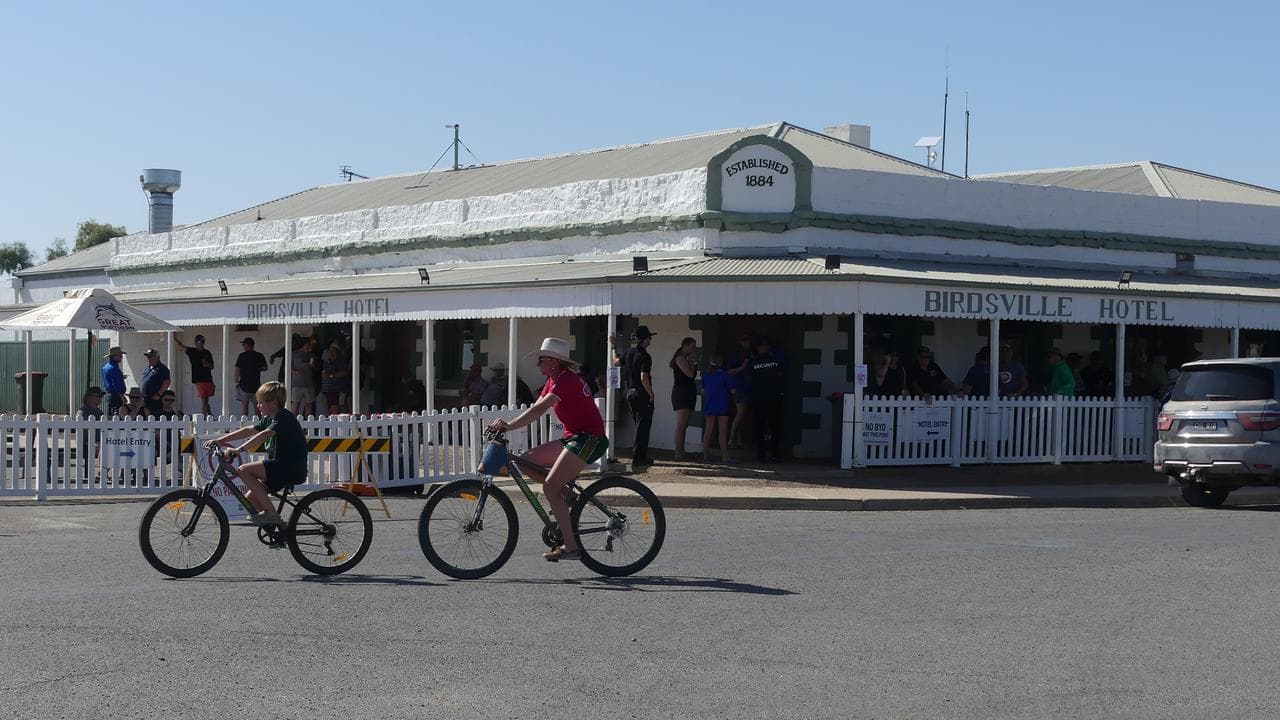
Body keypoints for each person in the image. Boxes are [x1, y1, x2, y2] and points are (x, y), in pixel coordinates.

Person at [488, 337, 608, 562]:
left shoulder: (567, 381)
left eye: (541, 360)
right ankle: (568, 496)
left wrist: (509, 426)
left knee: (550, 487)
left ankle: (571, 547)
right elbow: (535, 408)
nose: (538, 365)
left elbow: (538, 411)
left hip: (589, 439)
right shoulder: (553, 380)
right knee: (524, 461)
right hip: (573, 438)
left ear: (554, 361)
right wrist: (508, 424)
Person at [207, 381, 307, 533]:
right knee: (251, 500)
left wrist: (239, 450)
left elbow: (264, 434)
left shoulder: (284, 418)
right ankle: (283, 531)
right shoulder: (268, 418)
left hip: (289, 467)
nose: (258, 406)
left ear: (273, 403)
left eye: (260, 402)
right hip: (279, 467)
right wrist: (220, 440)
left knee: (244, 470)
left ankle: (271, 513)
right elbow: (248, 430)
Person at [611, 325, 656, 471]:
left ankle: (641, 456)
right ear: (644, 340)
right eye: (649, 337)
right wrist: (651, 393)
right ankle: (638, 459)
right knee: (643, 427)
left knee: (639, 425)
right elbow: (644, 377)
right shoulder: (645, 357)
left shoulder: (629, 352)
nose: (650, 339)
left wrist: (613, 347)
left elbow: (616, 362)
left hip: (629, 392)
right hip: (641, 393)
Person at [747, 335, 786, 463]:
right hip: (770, 398)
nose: (764, 348)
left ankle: (764, 454)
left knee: (763, 427)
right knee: (771, 427)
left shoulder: (753, 362)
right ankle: (770, 454)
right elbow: (781, 376)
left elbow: (748, 379)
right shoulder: (776, 360)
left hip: (763, 398)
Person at [669, 336, 698, 461]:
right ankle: (678, 452)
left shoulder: (685, 358)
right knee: (681, 424)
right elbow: (690, 374)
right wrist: (693, 363)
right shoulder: (680, 359)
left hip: (688, 392)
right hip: (682, 393)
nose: (694, 349)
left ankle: (682, 451)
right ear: (685, 346)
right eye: (692, 347)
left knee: (685, 424)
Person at [700, 353, 732, 464]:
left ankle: (705, 455)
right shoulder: (724, 374)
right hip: (723, 405)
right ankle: (725, 456)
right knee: (722, 432)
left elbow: (703, 391)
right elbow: (732, 390)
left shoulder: (705, 374)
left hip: (710, 405)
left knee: (708, 431)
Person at [174, 334, 216, 416]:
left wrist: (207, 364)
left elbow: (212, 366)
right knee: (204, 400)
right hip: (198, 380)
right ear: (195, 342)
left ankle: (210, 415)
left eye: (202, 342)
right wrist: (175, 338)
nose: (200, 343)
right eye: (198, 341)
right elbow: (182, 346)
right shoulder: (192, 351)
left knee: (206, 400)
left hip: (208, 379)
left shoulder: (207, 353)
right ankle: (204, 417)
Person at [726, 333, 753, 448]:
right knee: (740, 414)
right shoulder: (735, 355)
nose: (747, 342)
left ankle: (738, 440)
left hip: (746, 388)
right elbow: (729, 372)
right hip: (738, 388)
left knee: (742, 415)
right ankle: (731, 439)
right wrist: (742, 366)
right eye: (744, 340)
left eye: (748, 340)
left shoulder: (750, 353)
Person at [233, 338, 268, 416]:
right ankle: (258, 424)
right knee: (257, 406)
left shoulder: (242, 356)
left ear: (248, 345)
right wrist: (256, 368)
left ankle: (244, 423)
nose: (243, 346)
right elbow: (265, 367)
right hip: (256, 385)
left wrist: (236, 380)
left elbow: (238, 368)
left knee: (244, 405)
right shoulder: (259, 355)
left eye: (244, 345)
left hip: (244, 385)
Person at [289, 336, 317, 416]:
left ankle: (308, 427)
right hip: (297, 384)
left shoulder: (312, 354)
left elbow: (316, 368)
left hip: (309, 384)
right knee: (295, 405)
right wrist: (295, 372)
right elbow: (288, 367)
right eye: (308, 344)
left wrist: (313, 365)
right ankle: (294, 425)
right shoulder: (294, 354)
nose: (309, 346)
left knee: (309, 405)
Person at [140, 348, 171, 415]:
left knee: (155, 419)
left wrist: (159, 394)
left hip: (155, 399)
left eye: (150, 356)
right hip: (145, 399)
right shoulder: (148, 368)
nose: (148, 358)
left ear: (157, 357)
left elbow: (167, 382)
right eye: (148, 357)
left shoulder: (162, 368)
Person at [320, 345, 349, 414]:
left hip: (337, 388)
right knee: (329, 407)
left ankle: (336, 421)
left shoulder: (340, 362)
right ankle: (330, 421)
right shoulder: (326, 362)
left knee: (335, 407)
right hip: (327, 389)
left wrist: (331, 376)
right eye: (330, 351)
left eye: (333, 351)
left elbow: (344, 372)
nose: (331, 353)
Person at [100, 346, 128, 417]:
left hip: (109, 394)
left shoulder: (105, 367)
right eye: (120, 355)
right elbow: (117, 384)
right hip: (116, 396)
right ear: (114, 356)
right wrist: (121, 395)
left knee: (110, 416)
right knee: (117, 417)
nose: (121, 357)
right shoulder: (114, 368)